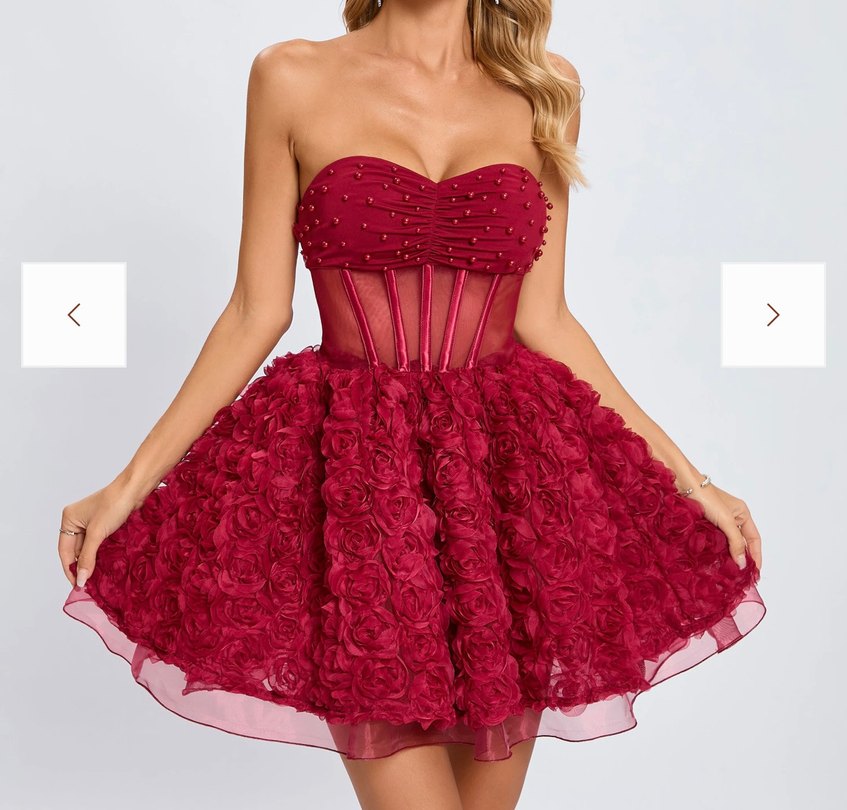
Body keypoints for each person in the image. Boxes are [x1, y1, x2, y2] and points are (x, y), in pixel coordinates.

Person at [58, 2, 766, 809]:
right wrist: (128, 486)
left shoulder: (546, 88)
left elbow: (545, 319)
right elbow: (257, 310)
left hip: (509, 486)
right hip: (361, 480)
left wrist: (687, 478)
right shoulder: (290, 75)